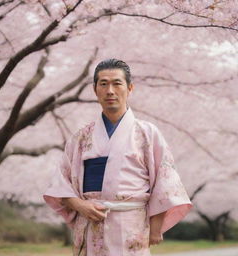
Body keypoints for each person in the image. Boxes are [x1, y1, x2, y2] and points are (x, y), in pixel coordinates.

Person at [43, 59, 192, 256]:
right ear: (95, 89)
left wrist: (156, 227)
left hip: (131, 225)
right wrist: (79, 205)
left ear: (130, 88)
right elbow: (61, 181)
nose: (110, 90)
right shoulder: (81, 137)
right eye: (103, 84)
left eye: (117, 83)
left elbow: (165, 181)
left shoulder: (147, 133)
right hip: (90, 221)